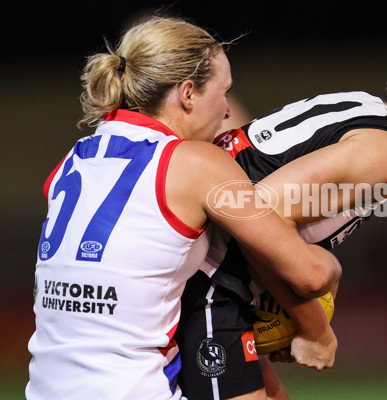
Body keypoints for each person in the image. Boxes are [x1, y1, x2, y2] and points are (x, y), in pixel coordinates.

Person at [176, 7, 387, 400]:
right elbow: (256, 212)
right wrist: (313, 328)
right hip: (206, 280)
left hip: (209, 272)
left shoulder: (374, 111)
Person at [25, 16, 341, 400]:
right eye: (223, 91)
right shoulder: (196, 163)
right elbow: (307, 275)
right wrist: (330, 265)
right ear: (188, 93)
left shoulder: (70, 162)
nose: (226, 111)